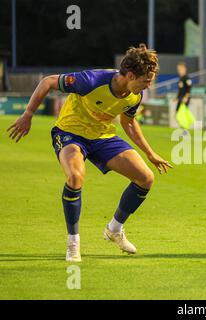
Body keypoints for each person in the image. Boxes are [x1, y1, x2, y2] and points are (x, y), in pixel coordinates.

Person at [7, 44, 173, 262]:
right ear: (131, 75)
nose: (149, 85)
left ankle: (114, 229)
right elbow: (47, 82)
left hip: (103, 137)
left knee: (145, 178)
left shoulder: (135, 95)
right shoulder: (92, 80)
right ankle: (73, 242)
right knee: (75, 177)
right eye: (146, 80)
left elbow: (129, 123)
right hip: (71, 133)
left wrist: (150, 153)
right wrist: (28, 114)